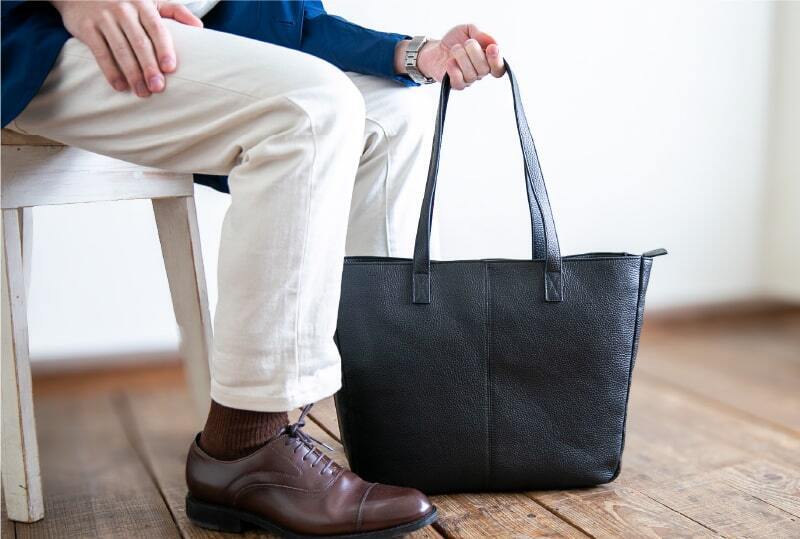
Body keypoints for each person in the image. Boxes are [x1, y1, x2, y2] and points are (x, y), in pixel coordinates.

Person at [1, 0, 503, 535]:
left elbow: (287, 20)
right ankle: (245, 442)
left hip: (158, 39)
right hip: (35, 35)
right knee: (308, 109)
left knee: (397, 114)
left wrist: (413, 54)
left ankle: (387, 420)